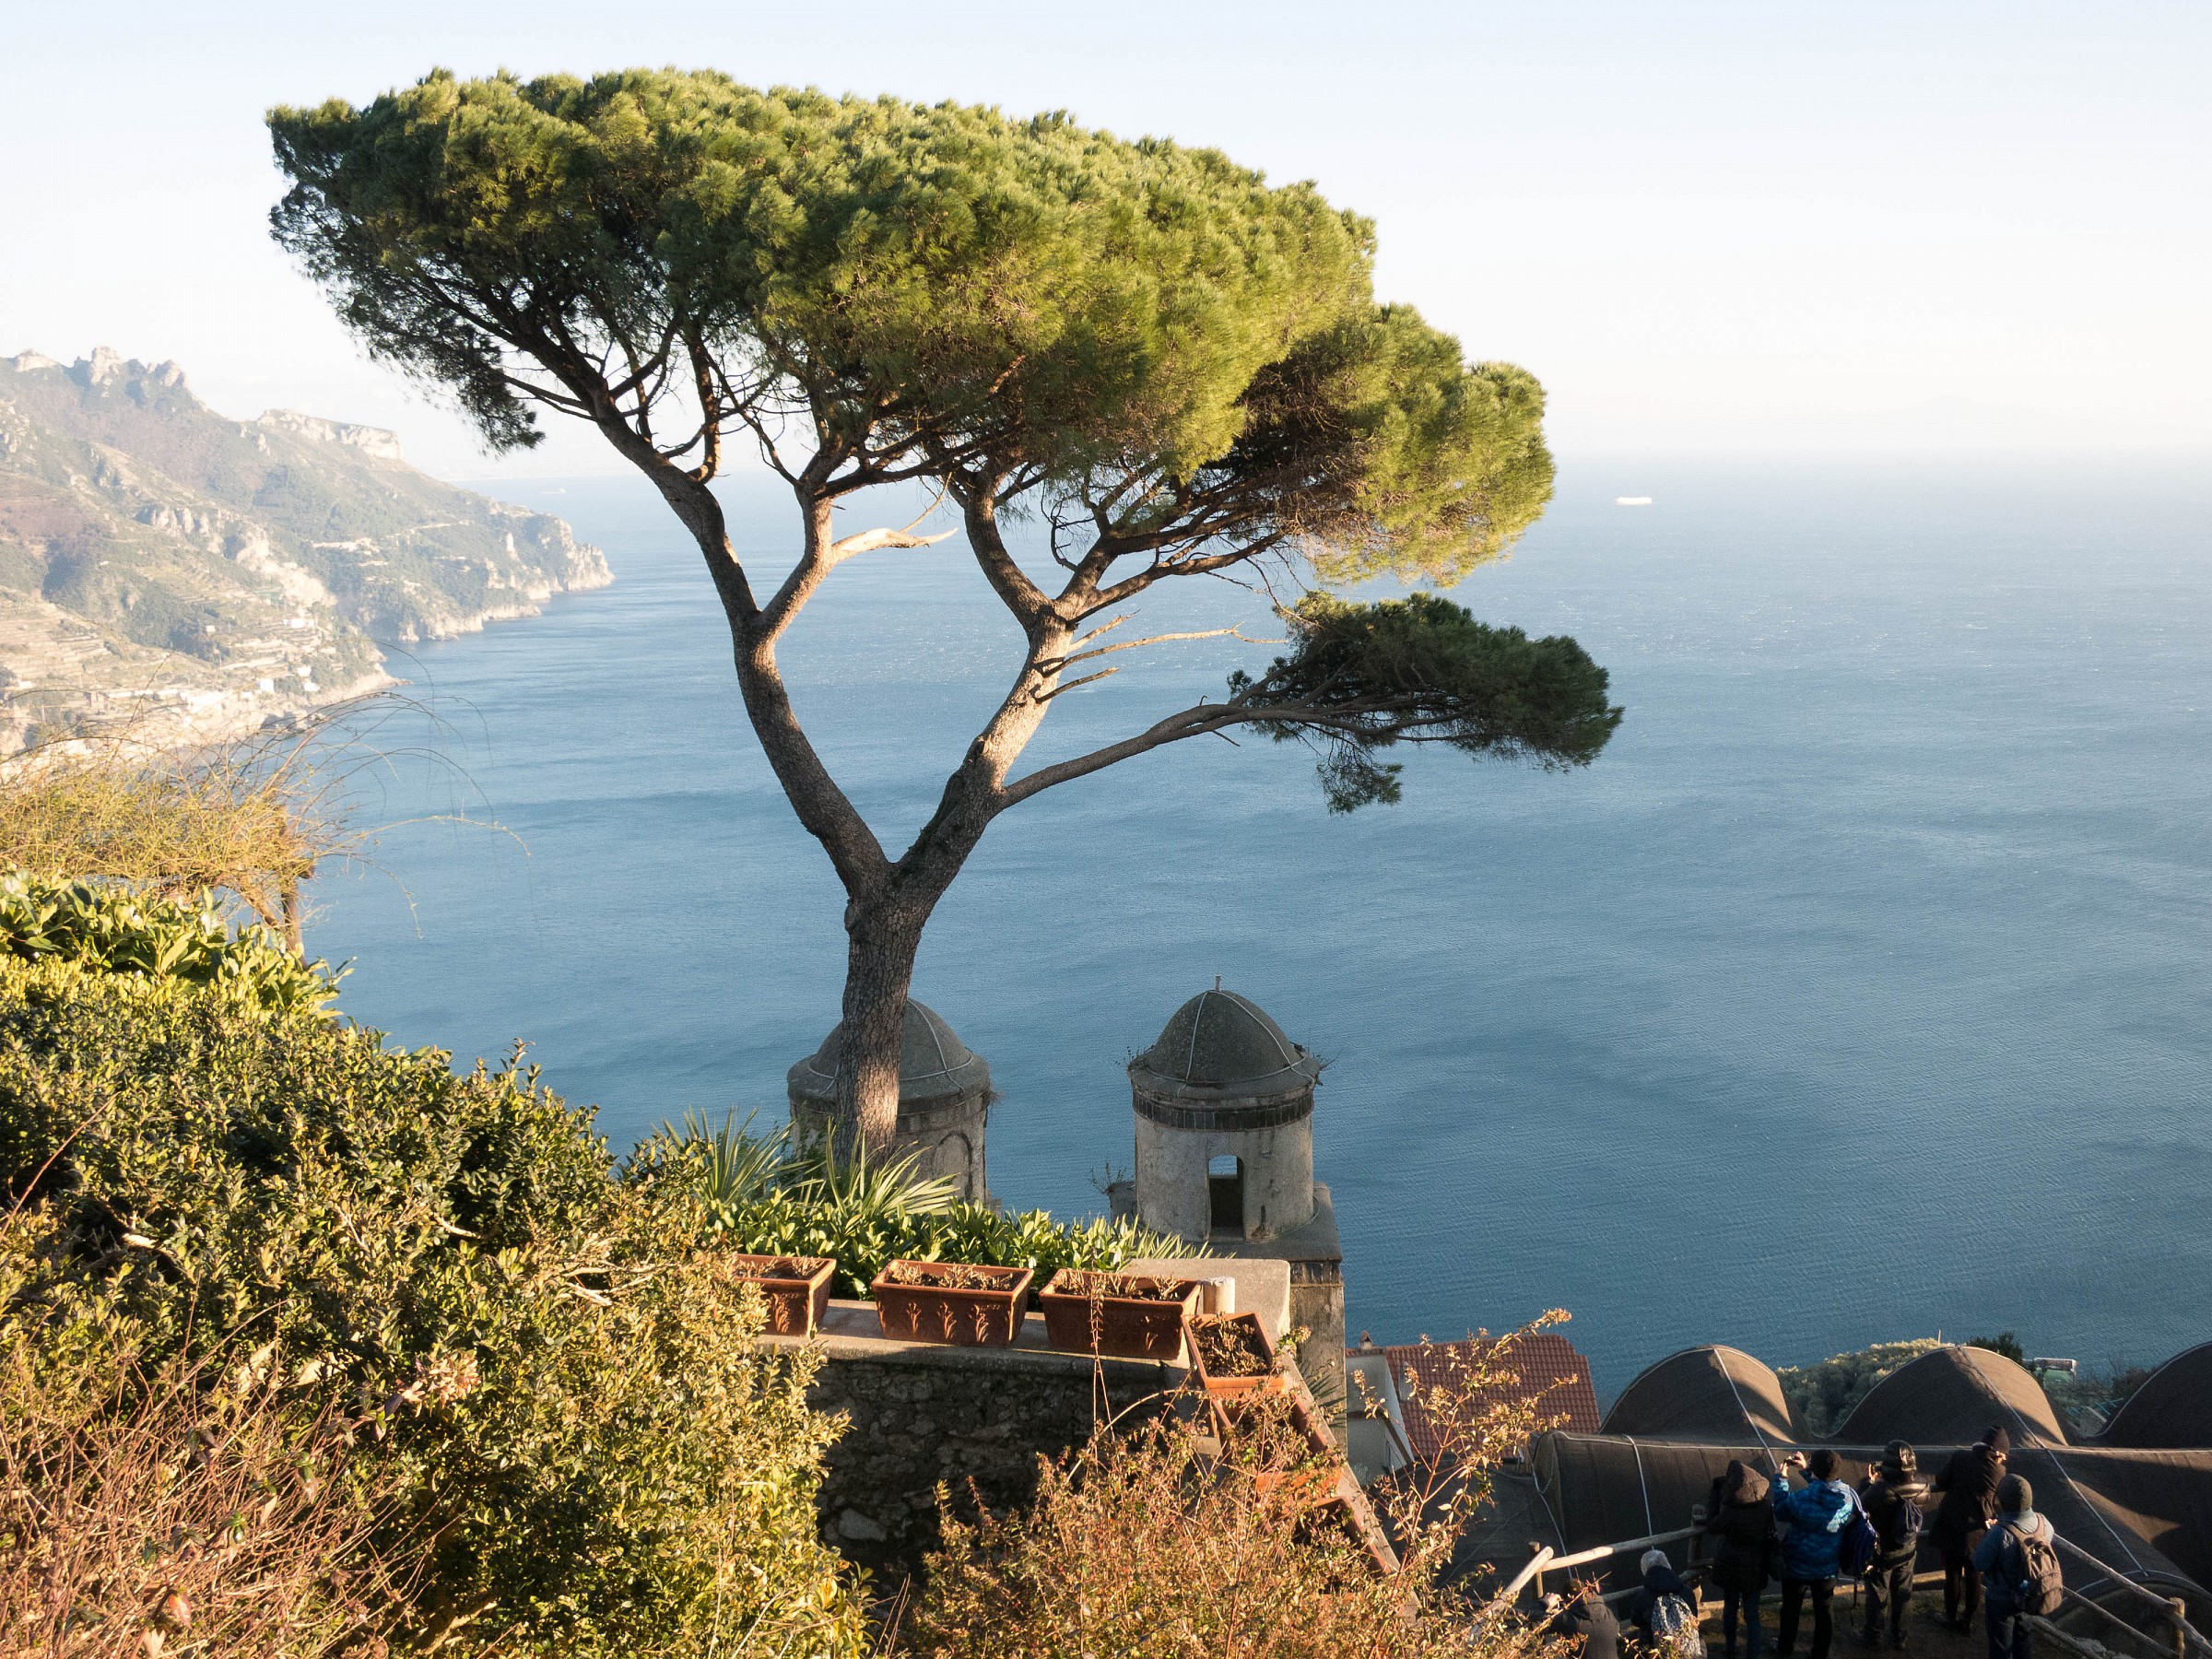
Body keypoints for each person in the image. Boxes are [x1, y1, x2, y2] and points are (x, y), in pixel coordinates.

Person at [1771, 1448, 1857, 1659]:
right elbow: (1826, 1490)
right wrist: (1807, 1472)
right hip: (1827, 1566)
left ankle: (1785, 1649)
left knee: (1791, 1609)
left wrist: (1781, 1480)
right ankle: (1820, 1653)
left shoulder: (1802, 1498)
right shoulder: (1847, 1496)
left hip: (1797, 1564)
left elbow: (1781, 1510)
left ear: (1814, 1468)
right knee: (1824, 1611)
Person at [1930, 1428, 2010, 1630]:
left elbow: (1941, 1481)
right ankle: (1967, 1620)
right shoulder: (1999, 1472)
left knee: (1952, 1575)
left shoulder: (1959, 1457)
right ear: (1998, 1453)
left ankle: (1950, 1617)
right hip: (1978, 1531)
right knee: (1974, 1576)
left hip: (1951, 1526)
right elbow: (1997, 1501)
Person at [1972, 1476, 2059, 1659]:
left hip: (2002, 1597)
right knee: (2023, 1638)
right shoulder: (2044, 1523)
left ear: (2003, 1500)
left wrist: (1993, 1533)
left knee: (2001, 1647)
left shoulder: (2000, 1533)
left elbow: (1979, 1563)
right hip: (2029, 1591)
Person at [1857, 1441, 1930, 1649]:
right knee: (1903, 1594)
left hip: (1881, 1551)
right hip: (1907, 1548)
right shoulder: (1923, 1487)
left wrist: (1867, 1482)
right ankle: (1900, 1638)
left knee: (1878, 1593)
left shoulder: (1879, 1491)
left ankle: (1873, 1636)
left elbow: (1860, 1505)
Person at [1706, 1459, 1775, 1659]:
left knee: (1730, 1609)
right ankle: (1753, 1654)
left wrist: (1716, 1493)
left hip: (1732, 1567)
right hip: (1756, 1567)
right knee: (1752, 1615)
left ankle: (1730, 1648)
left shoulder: (1731, 1512)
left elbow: (1712, 1525)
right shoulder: (1765, 1507)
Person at [1630, 1547, 1701, 1655]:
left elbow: (1636, 1621)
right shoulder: (1686, 1592)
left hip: (1657, 1650)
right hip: (1689, 1648)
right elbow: (1694, 1615)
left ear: (1645, 1569)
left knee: (1644, 1633)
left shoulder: (1642, 1596)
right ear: (1667, 1564)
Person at [1547, 1578, 1624, 1659]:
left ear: (1567, 1601)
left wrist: (1545, 1603)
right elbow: (1616, 1629)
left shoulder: (1567, 1619)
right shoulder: (1607, 1613)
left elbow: (1538, 1623)